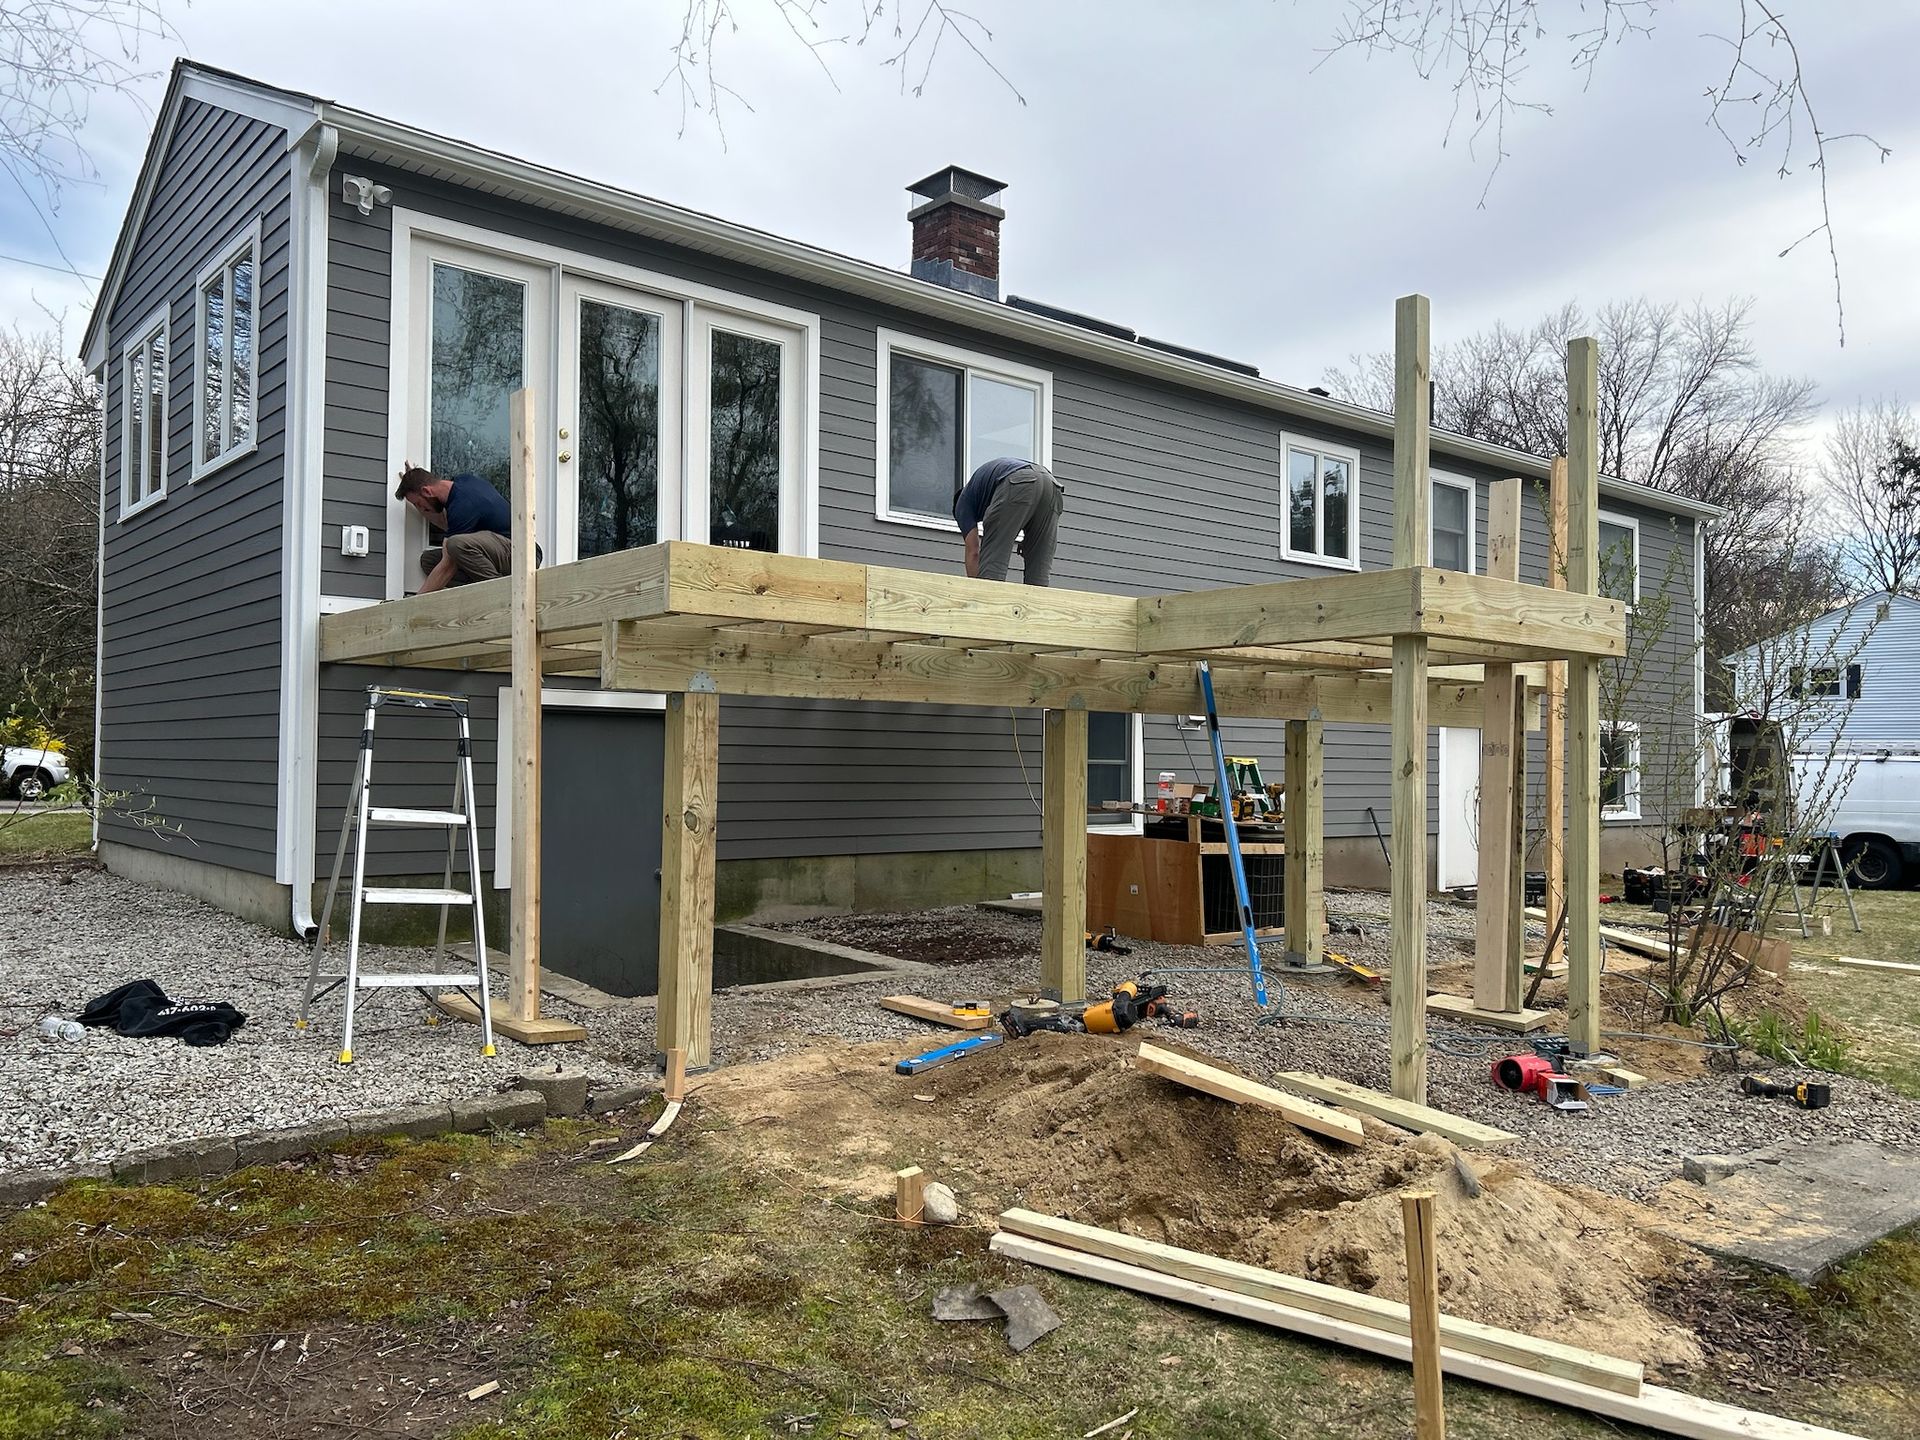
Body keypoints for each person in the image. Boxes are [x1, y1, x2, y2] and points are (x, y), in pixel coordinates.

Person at [394, 465, 522, 591]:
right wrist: (413, 482)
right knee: (430, 561)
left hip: (518, 553)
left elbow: (447, 566)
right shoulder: (463, 481)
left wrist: (415, 604)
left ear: (427, 491)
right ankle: (480, 590)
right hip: (496, 553)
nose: (421, 509)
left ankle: (497, 591)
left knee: (455, 544)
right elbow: (446, 522)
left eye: (418, 503)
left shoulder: (463, 504)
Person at [953, 456, 1065, 585]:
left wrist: (975, 591)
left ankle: (986, 601)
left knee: (992, 567)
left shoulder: (961, 504)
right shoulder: (982, 488)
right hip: (1051, 485)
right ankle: (1036, 603)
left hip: (1019, 481)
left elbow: (973, 552)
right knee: (1039, 573)